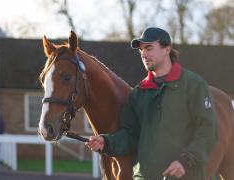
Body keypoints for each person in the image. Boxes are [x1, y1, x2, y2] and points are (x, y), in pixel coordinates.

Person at [87, 27, 217, 180]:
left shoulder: (194, 85)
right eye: (141, 50)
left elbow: (207, 131)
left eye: (149, 48)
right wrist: (107, 142)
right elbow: (131, 135)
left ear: (167, 49)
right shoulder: (138, 93)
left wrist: (185, 161)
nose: (143, 54)